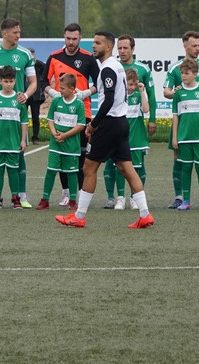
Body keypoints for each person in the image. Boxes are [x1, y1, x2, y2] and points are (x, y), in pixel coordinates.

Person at [55, 31, 153, 229]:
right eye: (93, 42)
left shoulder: (108, 68)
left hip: (110, 124)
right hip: (121, 122)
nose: (94, 46)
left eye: (98, 43)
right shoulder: (116, 66)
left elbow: (108, 100)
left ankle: (79, 216)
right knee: (127, 168)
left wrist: (94, 123)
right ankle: (145, 214)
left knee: (89, 168)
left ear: (109, 47)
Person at [0, 18, 37, 208]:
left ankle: (21, 196)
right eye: (15, 32)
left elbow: (33, 82)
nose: (18, 35)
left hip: (17, 110)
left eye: (19, 32)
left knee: (19, 154)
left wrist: (25, 96)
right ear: (4, 33)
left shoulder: (25, 54)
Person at [43, 22, 97, 207]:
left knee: (80, 155)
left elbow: (99, 83)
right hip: (60, 113)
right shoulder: (54, 57)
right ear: (64, 37)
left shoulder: (88, 58)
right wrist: (53, 93)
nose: (71, 42)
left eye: (74, 38)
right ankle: (66, 192)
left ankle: (79, 193)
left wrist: (85, 93)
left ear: (80, 38)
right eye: (68, 38)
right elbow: (44, 81)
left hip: (83, 112)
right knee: (60, 152)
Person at [163, 30, 199, 208]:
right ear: (185, 46)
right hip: (183, 121)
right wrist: (175, 92)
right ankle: (180, 197)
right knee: (179, 159)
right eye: (194, 45)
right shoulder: (175, 68)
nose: (197, 48)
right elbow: (166, 91)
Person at [103, 35, 158, 207]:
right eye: (119, 48)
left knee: (137, 163)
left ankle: (136, 196)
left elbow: (151, 96)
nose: (122, 51)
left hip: (135, 128)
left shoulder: (142, 69)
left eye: (125, 48)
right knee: (111, 164)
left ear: (133, 49)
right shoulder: (113, 66)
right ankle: (113, 198)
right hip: (115, 124)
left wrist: (152, 119)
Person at [34, 73, 85, 211]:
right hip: (56, 144)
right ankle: (45, 199)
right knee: (51, 170)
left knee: (71, 172)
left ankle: (73, 200)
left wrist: (65, 135)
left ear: (72, 89)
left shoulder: (78, 104)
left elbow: (81, 125)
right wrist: (54, 133)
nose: (59, 90)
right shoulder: (56, 101)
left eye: (62, 88)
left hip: (71, 146)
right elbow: (50, 119)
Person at [170, 59, 199, 211]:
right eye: (182, 73)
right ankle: (186, 200)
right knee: (186, 168)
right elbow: (175, 116)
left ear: (195, 74)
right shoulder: (178, 93)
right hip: (184, 138)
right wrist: (175, 137)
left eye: (186, 73)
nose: (183, 76)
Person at [0, 65, 28, 209]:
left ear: (15, 81)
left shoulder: (19, 100)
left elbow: (24, 122)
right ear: (0, 81)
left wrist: (23, 140)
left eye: (11, 81)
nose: (8, 84)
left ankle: (16, 198)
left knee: (13, 170)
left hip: (14, 143)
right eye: (5, 81)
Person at [26, 48, 47, 144]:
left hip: (35, 96)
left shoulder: (38, 65)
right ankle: (21, 136)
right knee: (22, 117)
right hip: (24, 94)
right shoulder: (23, 64)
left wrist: (35, 61)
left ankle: (35, 138)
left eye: (32, 54)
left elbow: (45, 69)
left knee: (35, 117)